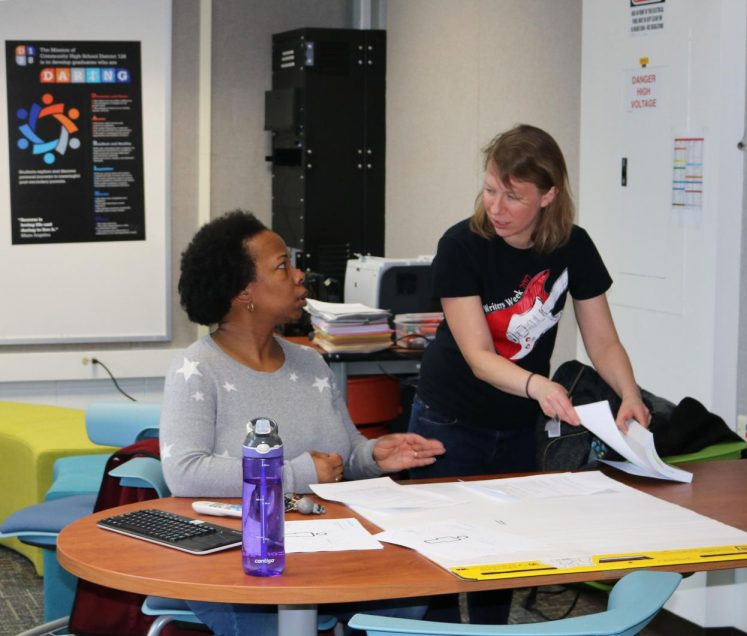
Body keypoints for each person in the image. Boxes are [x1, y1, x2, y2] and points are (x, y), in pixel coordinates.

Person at [408, 124, 650, 624]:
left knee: (502, 561)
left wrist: (630, 394)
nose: (496, 207)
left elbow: (602, 340)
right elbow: (478, 355)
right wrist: (537, 383)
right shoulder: (461, 245)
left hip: (518, 423)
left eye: (513, 197)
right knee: (434, 559)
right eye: (491, 189)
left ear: (549, 196)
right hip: (450, 417)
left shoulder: (574, 247)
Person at [160, 210, 444, 635]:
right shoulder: (198, 370)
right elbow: (184, 473)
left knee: (414, 596)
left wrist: (375, 456)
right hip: (237, 559)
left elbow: (343, 454)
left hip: (328, 546)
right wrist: (295, 473)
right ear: (243, 291)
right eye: (282, 267)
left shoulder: (310, 363)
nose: (299, 275)